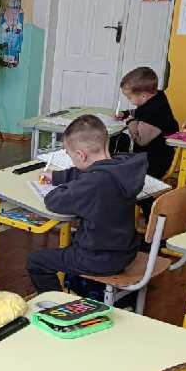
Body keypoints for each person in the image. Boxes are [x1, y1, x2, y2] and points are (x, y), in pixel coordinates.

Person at [27, 114, 147, 295]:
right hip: (126, 251)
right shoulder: (121, 167)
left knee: (36, 261)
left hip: (97, 258)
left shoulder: (93, 183)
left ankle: (57, 305)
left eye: (71, 156)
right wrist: (58, 176)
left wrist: (64, 186)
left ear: (81, 155)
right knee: (70, 244)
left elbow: (55, 201)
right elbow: (90, 171)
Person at [116, 66, 179, 179]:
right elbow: (140, 112)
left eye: (129, 97)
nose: (129, 100)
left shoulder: (153, 111)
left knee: (116, 163)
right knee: (121, 145)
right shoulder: (156, 97)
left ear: (144, 96)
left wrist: (130, 121)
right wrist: (125, 113)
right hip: (156, 153)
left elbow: (140, 140)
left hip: (154, 162)